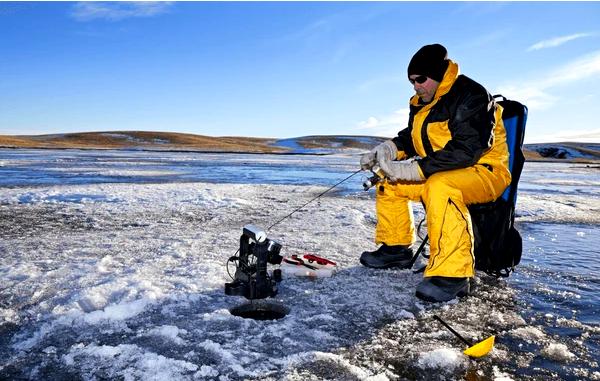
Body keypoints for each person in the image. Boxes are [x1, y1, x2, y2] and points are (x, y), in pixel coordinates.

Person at [359, 43, 512, 302]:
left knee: (440, 186)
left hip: (485, 172)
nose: (416, 86)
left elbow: (467, 150)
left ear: (439, 74)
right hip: (443, 170)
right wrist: (386, 150)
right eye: (411, 81)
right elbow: (412, 138)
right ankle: (396, 248)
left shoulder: (470, 95)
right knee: (388, 182)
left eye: (421, 79)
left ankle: (453, 274)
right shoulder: (422, 103)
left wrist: (415, 169)